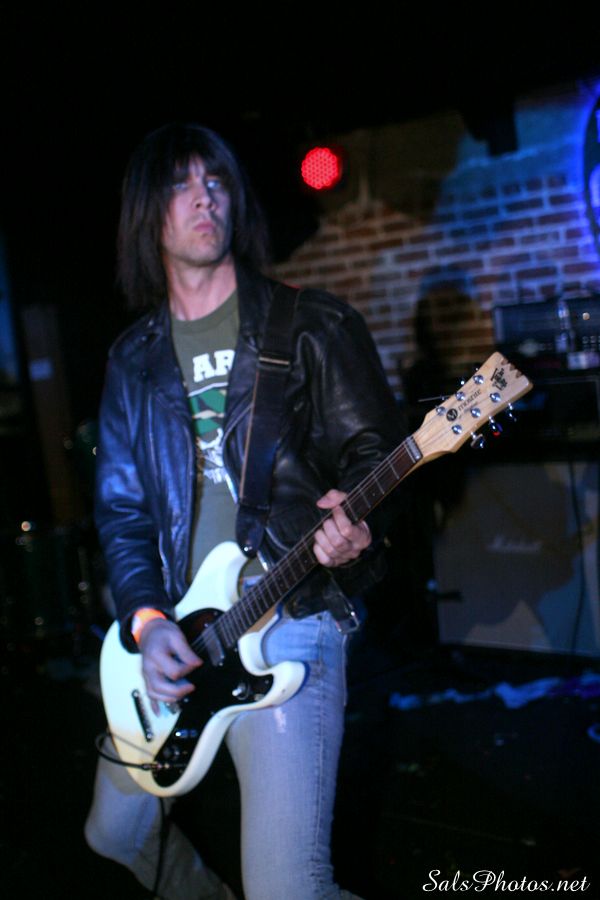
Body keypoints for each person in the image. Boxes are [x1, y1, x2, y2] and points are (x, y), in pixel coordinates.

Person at [85, 122, 406, 900]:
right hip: (182, 630)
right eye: (181, 183)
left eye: (217, 180)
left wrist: (358, 529)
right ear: (146, 214)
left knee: (289, 888)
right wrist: (147, 622)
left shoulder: (312, 324)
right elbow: (123, 514)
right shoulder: (132, 361)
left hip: (291, 612)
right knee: (113, 833)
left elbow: (376, 455)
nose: (205, 197)